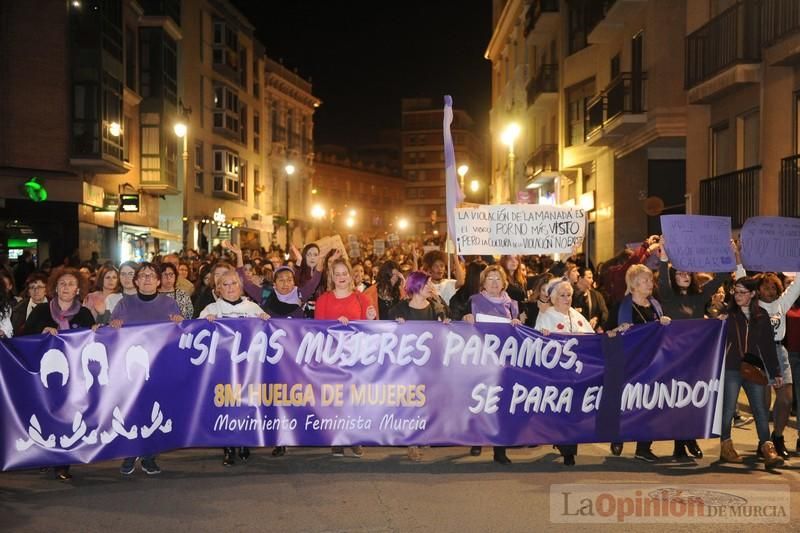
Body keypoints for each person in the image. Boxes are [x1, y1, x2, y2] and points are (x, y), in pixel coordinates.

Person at [656, 240, 728, 460]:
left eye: (687, 274)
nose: (684, 276)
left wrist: (730, 253)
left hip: (696, 357)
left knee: (692, 400)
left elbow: (722, 278)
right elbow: (662, 278)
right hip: (673, 357)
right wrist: (664, 257)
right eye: (679, 274)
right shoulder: (668, 296)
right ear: (674, 277)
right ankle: (680, 444)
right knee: (678, 400)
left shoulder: (699, 297)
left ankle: (689, 438)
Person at [22, 267, 95, 481]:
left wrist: (97, 331)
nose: (66, 287)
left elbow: (93, 342)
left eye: (71, 284)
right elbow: (24, 337)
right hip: (44, 374)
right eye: (62, 283)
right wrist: (41, 333)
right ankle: (44, 455)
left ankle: (63, 464)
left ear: (78, 289)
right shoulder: (41, 311)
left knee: (68, 417)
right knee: (45, 414)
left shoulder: (84, 313)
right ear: (55, 287)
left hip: (74, 376)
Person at [111, 262, 182, 476]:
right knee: (132, 410)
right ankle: (129, 452)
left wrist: (180, 323)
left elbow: (179, 337)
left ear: (159, 281)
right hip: (130, 368)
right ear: (136, 281)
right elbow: (111, 334)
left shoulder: (169, 304)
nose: (147, 279)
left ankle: (149, 455)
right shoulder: (124, 304)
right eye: (142, 275)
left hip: (159, 366)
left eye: (151, 275)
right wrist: (112, 326)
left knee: (154, 411)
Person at [200, 270, 270, 466]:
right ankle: (229, 447)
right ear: (218, 289)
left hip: (248, 369)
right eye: (225, 284)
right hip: (222, 369)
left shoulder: (253, 307)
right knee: (226, 407)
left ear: (241, 286)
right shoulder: (211, 309)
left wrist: (265, 320)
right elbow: (195, 333)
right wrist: (205, 323)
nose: (230, 288)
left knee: (246, 404)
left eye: (234, 284)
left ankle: (245, 441)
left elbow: (268, 332)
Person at [314, 257, 377, 457]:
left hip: (356, 356)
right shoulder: (324, 299)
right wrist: (335, 326)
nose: (341, 277)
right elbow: (317, 328)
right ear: (331, 276)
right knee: (336, 398)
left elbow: (371, 326)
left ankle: (355, 438)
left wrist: (370, 317)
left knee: (355, 398)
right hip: (332, 356)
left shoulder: (361, 298)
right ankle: (337, 438)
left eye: (344, 273)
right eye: (337, 273)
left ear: (351, 275)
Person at [718, 277, 783, 466]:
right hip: (731, 367)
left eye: (742, 292)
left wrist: (776, 372)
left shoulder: (761, 316)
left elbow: (769, 347)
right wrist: (718, 322)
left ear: (753, 294)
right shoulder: (727, 314)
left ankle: (767, 448)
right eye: (735, 292)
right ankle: (726, 446)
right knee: (728, 409)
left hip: (754, 368)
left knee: (760, 410)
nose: (738, 296)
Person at [534, 279, 599, 465]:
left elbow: (591, 338)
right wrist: (544, 335)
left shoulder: (577, 315)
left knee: (574, 410)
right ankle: (565, 446)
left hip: (577, 373)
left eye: (569, 295)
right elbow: (537, 339)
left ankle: (568, 446)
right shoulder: (547, 315)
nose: (566, 298)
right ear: (553, 298)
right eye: (562, 295)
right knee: (561, 409)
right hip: (557, 373)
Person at [612, 264, 672, 462]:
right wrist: (618, 329)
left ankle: (644, 447)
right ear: (634, 285)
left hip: (653, 362)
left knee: (650, 403)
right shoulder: (621, 306)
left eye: (650, 280)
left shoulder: (656, 305)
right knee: (627, 402)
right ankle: (617, 435)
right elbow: (607, 332)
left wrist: (664, 323)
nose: (650, 284)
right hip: (630, 362)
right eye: (645, 281)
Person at [463, 265, 521, 465]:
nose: (495, 282)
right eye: (490, 279)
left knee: (500, 403)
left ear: (504, 282)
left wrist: (517, 324)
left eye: (498, 278)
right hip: (481, 358)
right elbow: (459, 326)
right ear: (483, 283)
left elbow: (520, 331)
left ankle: (500, 449)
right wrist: (465, 319)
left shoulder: (512, 304)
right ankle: (477, 439)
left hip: (503, 360)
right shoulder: (474, 301)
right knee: (480, 399)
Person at [388, 271, 449, 462]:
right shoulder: (399, 309)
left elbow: (446, 327)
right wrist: (397, 326)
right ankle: (412, 443)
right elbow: (387, 334)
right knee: (411, 403)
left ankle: (423, 434)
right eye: (427, 284)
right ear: (417, 286)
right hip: (407, 365)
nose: (431, 287)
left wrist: (446, 323)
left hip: (429, 364)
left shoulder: (435, 308)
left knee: (427, 401)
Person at [571, 268, 608, 333]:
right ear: (580, 278)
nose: (592, 280)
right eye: (589, 278)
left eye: (592, 278)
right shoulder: (570, 295)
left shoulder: (596, 295)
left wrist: (597, 319)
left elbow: (604, 312)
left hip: (592, 332)